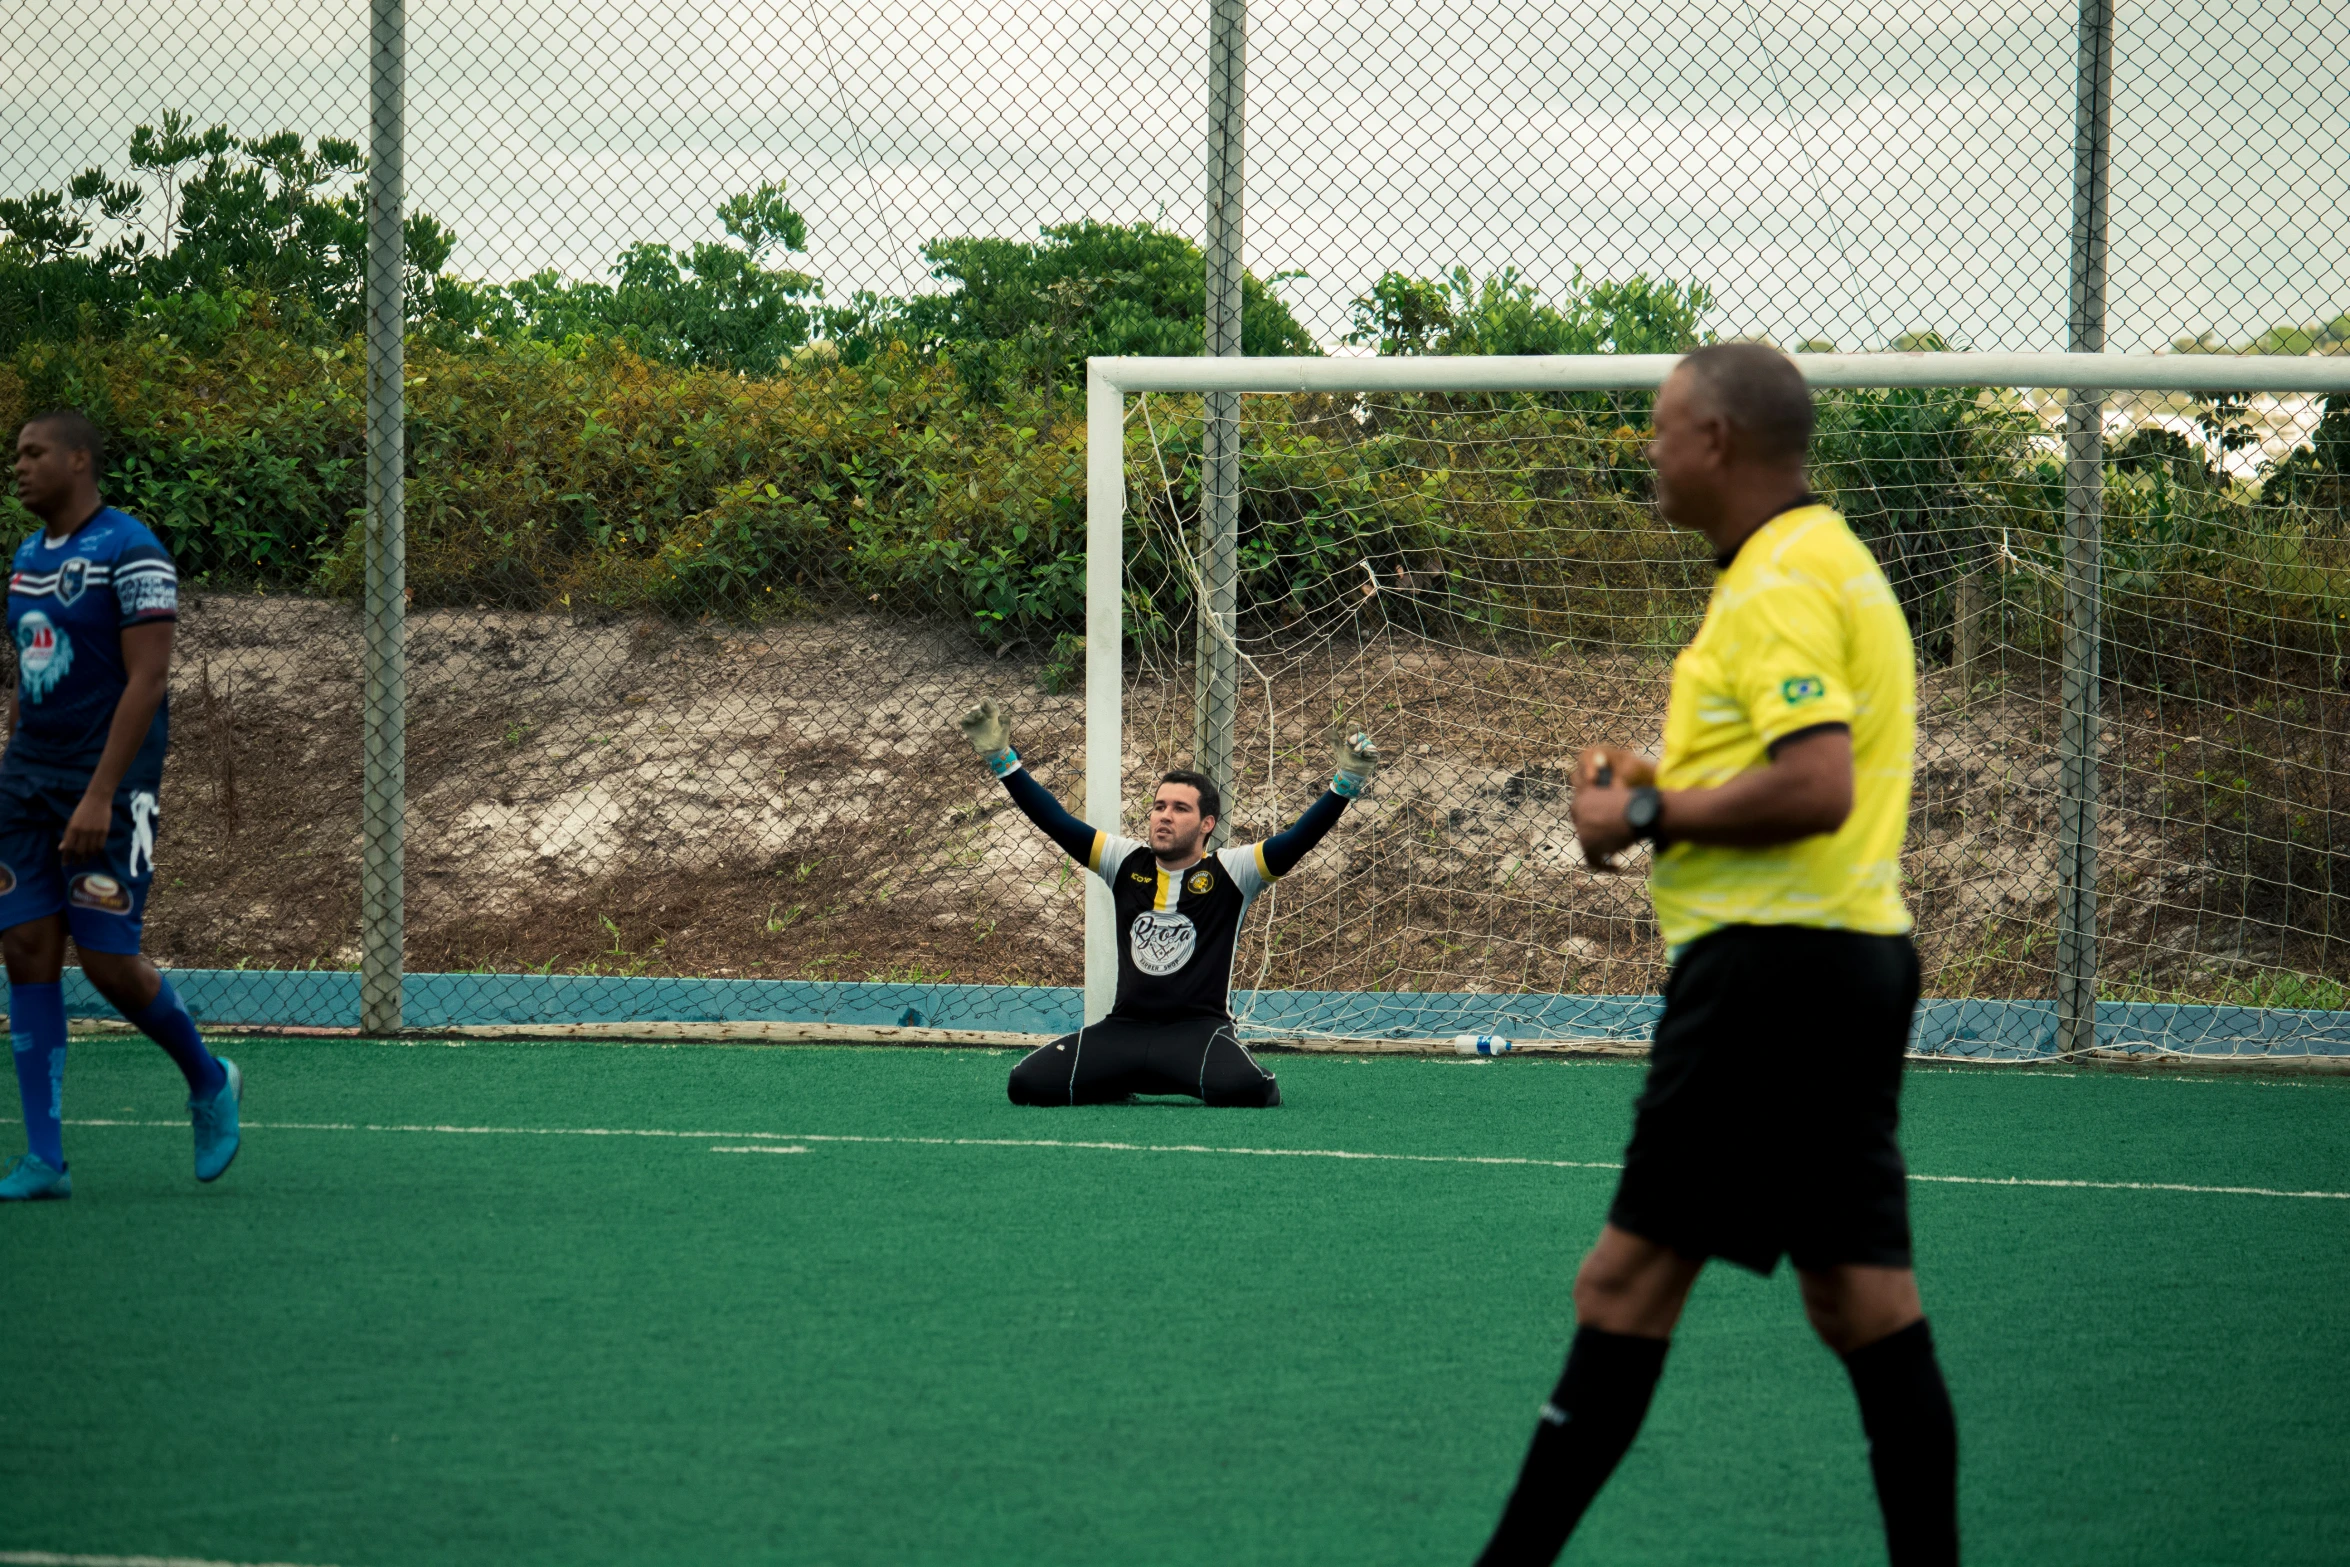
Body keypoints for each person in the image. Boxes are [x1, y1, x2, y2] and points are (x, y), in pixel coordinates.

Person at [1470, 344, 1957, 1565]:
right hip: (1841, 964)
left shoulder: (1782, 582)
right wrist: (1655, 790)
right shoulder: (1817, 562)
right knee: (1860, 1300)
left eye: (1660, 426)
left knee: (1622, 1286)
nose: (1648, 447)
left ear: (1719, 442)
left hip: (1768, 978)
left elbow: (1816, 782)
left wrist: (1639, 814)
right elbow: (1786, 764)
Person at [1, 410, 240, 1202]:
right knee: (27, 947)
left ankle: (209, 1081)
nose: (20, 466)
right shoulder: (27, 555)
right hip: (28, 781)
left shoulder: (132, 549)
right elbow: (31, 676)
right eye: (17, 455)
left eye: (34, 453)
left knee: (106, 962)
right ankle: (45, 1160)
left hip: (108, 784)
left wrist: (101, 792)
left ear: (79, 461)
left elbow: (149, 678)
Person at [956, 698, 1375, 1107]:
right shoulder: (1123, 860)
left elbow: (1297, 841)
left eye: (1179, 808)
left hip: (1197, 1034)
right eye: (1158, 806)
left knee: (1249, 1090)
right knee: (1025, 1084)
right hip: (1124, 1030)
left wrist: (1346, 784)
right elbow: (1057, 822)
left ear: (1206, 824)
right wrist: (1001, 758)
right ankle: (1115, 1079)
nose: (1164, 816)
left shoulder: (1234, 871)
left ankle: (1161, 1075)